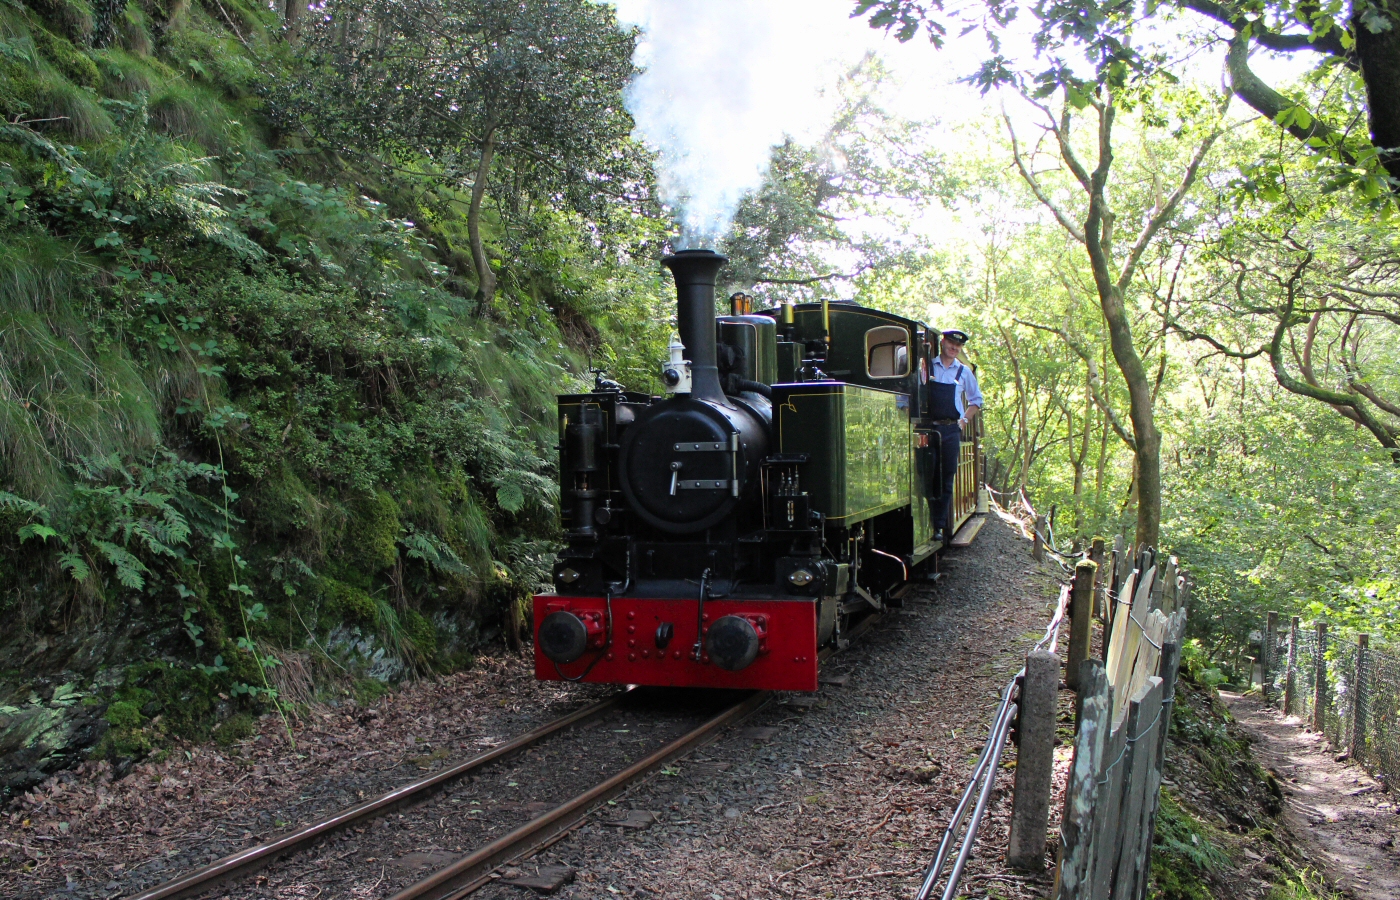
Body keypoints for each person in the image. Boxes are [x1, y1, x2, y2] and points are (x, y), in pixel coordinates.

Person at [924, 328, 983, 542]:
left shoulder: (964, 371)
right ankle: (924, 522)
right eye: (951, 343)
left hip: (950, 430)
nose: (954, 348)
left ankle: (939, 526)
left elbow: (976, 400)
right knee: (927, 475)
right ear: (943, 343)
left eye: (958, 346)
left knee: (946, 478)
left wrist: (963, 421)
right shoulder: (928, 366)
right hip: (928, 428)